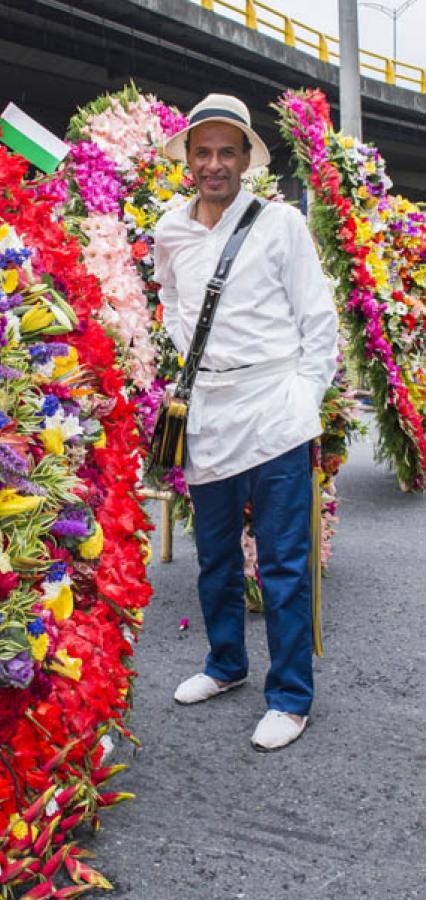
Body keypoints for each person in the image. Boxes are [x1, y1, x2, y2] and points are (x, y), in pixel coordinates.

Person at [154, 94, 338, 751]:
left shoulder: (280, 224)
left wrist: (303, 397)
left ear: (245, 159)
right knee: (216, 559)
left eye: (225, 151)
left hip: (276, 412)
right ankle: (226, 664)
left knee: (285, 564)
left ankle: (290, 698)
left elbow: (319, 320)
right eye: (201, 152)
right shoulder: (169, 228)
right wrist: (188, 349)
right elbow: (171, 291)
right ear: (187, 159)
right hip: (208, 413)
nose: (213, 164)